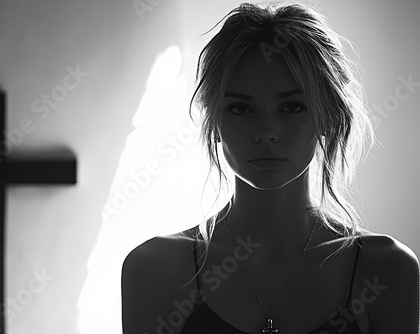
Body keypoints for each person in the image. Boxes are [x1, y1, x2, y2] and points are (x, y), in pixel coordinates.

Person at [121, 2, 420, 333]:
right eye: (241, 108)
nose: (266, 133)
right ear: (214, 121)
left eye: (291, 106)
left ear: (328, 116)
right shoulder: (154, 269)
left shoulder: (385, 269)